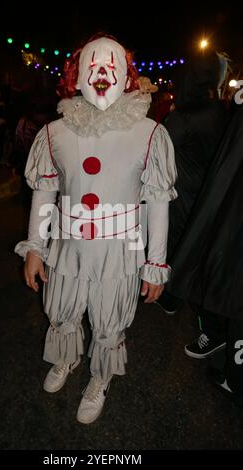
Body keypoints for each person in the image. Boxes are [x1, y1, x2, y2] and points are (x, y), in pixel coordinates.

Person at [15, 34, 177, 424]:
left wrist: (156, 263)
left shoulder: (149, 134)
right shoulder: (54, 133)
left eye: (110, 65)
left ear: (126, 77)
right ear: (75, 75)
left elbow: (157, 201)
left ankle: (100, 378)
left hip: (118, 252)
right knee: (64, 313)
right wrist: (35, 247)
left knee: (108, 323)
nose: (101, 72)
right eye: (92, 65)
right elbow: (45, 192)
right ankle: (67, 359)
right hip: (68, 247)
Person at [167, 103, 243, 405]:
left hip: (206, 202)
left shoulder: (188, 114)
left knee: (211, 270)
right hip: (210, 197)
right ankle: (215, 332)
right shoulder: (222, 109)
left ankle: (234, 374)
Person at [155, 49, 229, 317]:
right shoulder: (221, 110)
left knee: (178, 242)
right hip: (210, 190)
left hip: (184, 190)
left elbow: (159, 148)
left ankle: (176, 297)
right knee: (198, 244)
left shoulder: (184, 115)